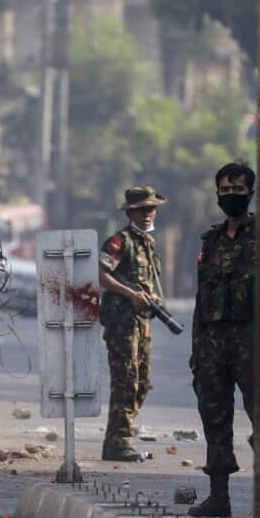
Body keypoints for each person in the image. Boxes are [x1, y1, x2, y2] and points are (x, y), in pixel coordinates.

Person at [188, 162, 257, 518]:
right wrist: (197, 347)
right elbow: (202, 296)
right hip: (213, 343)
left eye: (237, 190)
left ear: (250, 192)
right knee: (214, 417)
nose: (230, 196)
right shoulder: (210, 241)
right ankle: (219, 495)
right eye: (224, 191)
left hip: (253, 341)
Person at [98, 186, 167, 462]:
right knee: (126, 380)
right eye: (141, 210)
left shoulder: (148, 244)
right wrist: (131, 294)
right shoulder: (120, 242)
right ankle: (119, 442)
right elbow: (101, 275)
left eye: (151, 209)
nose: (147, 214)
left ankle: (117, 437)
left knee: (142, 382)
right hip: (122, 323)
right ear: (130, 213)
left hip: (142, 323)